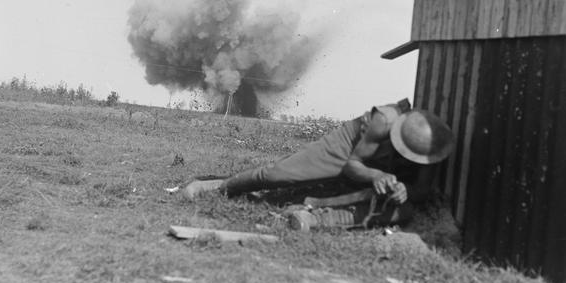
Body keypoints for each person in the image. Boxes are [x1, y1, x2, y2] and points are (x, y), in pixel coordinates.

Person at [182, 99, 456, 229]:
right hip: (350, 147)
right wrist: (377, 175)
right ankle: (218, 186)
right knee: (279, 174)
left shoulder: (430, 144)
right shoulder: (384, 120)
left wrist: (404, 189)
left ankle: (321, 213)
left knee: (398, 207)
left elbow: (423, 189)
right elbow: (353, 164)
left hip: (374, 165)